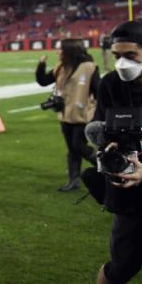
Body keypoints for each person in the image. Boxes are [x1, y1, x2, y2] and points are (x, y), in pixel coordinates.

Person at [72, 21, 142, 284]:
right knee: (120, 265)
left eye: (131, 55)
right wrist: (107, 151)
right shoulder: (110, 84)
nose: (123, 63)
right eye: (117, 55)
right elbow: (106, 129)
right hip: (130, 192)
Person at [35, 39, 99, 191]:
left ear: (69, 51)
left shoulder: (89, 67)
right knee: (72, 149)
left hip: (83, 115)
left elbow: (98, 91)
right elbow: (43, 81)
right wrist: (41, 64)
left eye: (60, 50)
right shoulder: (61, 67)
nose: (58, 52)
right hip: (65, 115)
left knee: (78, 145)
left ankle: (105, 165)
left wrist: (98, 113)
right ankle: (73, 180)